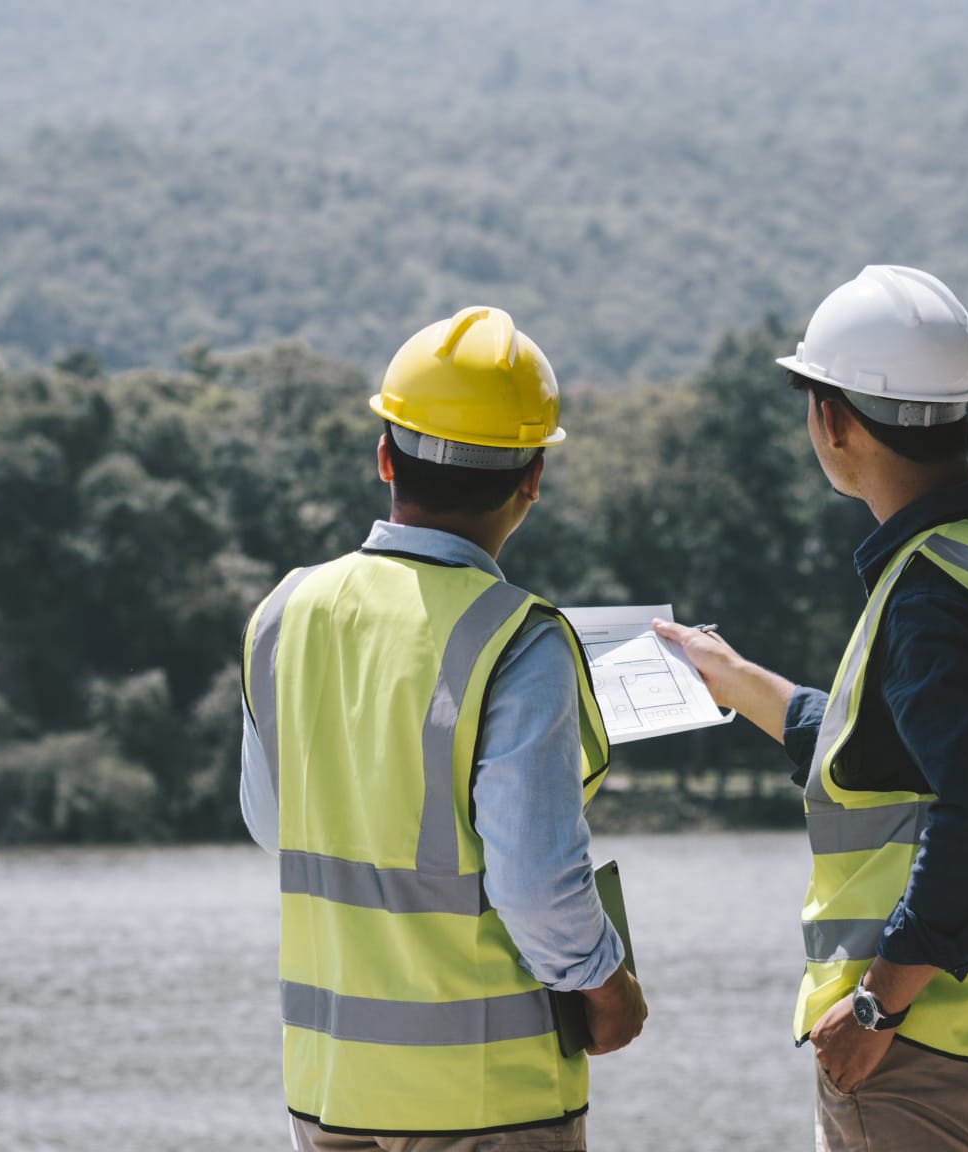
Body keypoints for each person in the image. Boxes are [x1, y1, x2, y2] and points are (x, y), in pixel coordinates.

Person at [656, 265, 968, 1151]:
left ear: (832, 419)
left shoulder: (934, 588)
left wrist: (873, 1007)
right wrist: (742, 683)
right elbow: (889, 765)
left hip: (930, 1052)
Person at [240, 306, 647, 1152]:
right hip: (488, 1102)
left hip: (331, 1093)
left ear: (385, 454)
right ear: (533, 476)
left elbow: (273, 827)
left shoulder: (285, 612)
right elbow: (536, 881)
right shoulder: (519, 638)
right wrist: (607, 986)